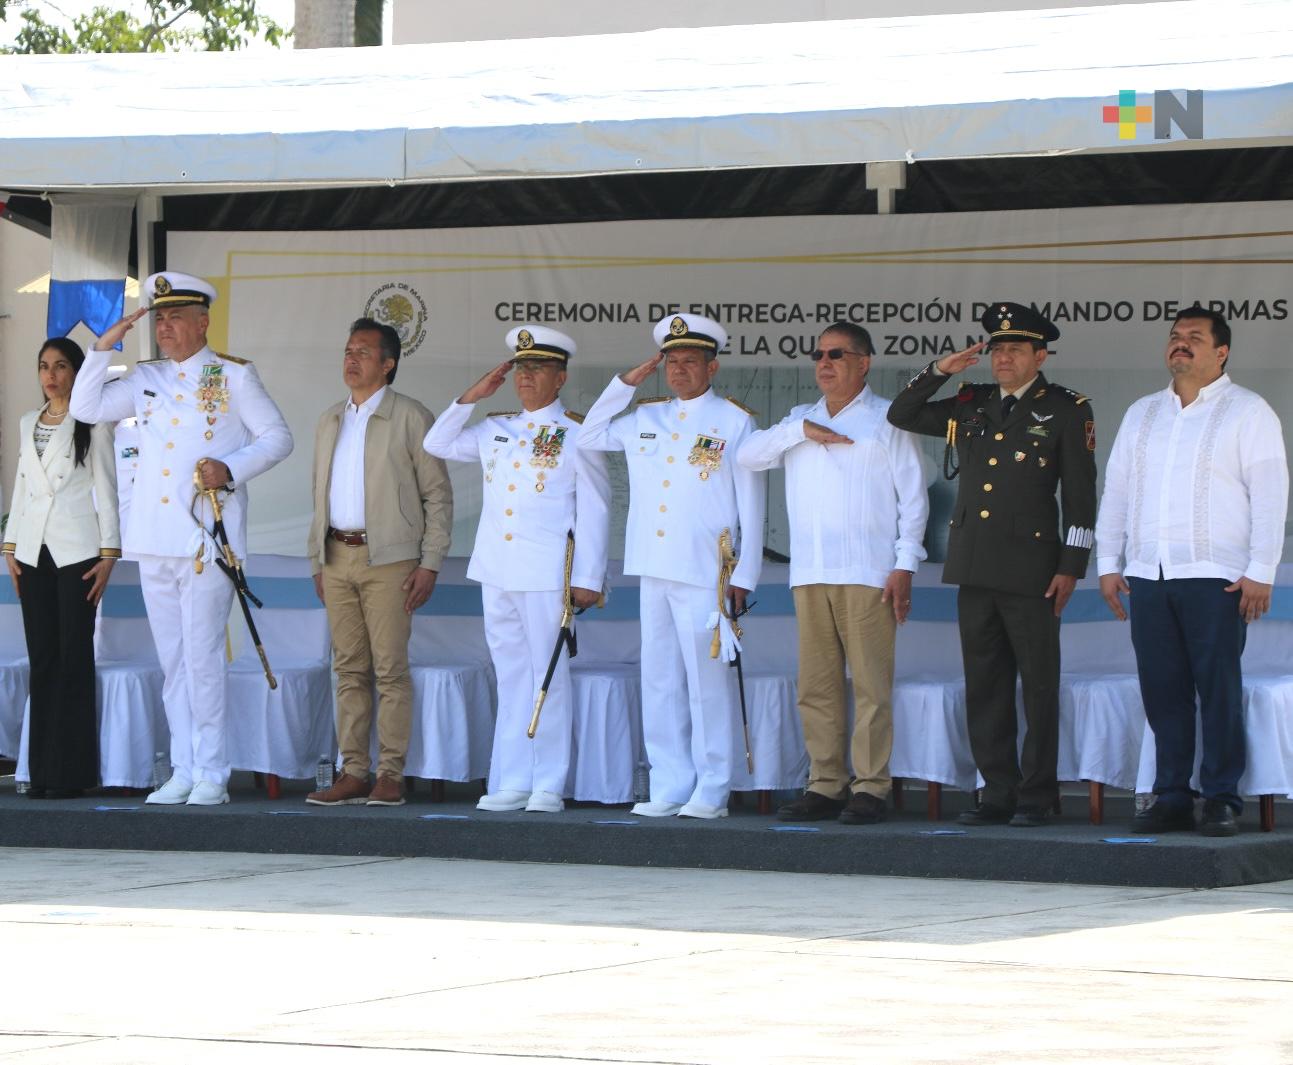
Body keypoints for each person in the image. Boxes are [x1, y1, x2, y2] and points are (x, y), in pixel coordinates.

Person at [70, 271, 293, 806]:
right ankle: (184, 766)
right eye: (159, 317)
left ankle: (212, 770)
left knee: (202, 657)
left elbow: (278, 437)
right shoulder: (148, 377)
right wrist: (101, 348)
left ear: (202, 322)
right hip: (154, 538)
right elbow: (85, 407)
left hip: (204, 542)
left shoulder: (233, 375)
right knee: (172, 661)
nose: (164, 326)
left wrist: (231, 468)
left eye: (174, 316)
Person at [887, 302, 1096, 828]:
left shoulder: (1067, 408)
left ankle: (1038, 794)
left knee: (1038, 685)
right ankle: (996, 790)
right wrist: (940, 371)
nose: (1003, 358)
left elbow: (1080, 496)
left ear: (1039, 355)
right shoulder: (972, 402)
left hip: (1033, 570)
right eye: (997, 349)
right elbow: (902, 414)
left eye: (1015, 349)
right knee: (985, 685)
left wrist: (1072, 565)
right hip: (975, 566)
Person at [1096, 307, 1288, 837]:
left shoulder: (1248, 411)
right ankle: (1173, 795)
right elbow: (1116, 492)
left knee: (1218, 689)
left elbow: (1271, 496)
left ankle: (1222, 797)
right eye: (1175, 337)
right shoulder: (1142, 413)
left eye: (1194, 339)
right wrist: (1108, 563)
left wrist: (1261, 570)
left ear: (1221, 352)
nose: (1181, 345)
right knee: (1163, 691)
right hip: (1149, 574)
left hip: (1217, 576)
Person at [576, 313, 766, 819]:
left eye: (690, 362)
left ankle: (712, 786)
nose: (679, 371)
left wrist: (745, 575)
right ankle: (669, 782)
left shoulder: (733, 420)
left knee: (707, 683)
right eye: (672, 362)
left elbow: (751, 503)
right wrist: (624, 384)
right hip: (653, 565)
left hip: (706, 569)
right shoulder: (645, 416)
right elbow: (588, 436)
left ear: (713, 367)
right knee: (659, 679)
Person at [737, 322, 927, 826]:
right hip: (811, 572)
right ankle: (825, 784)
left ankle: (871, 786)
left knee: (869, 686)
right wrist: (799, 431)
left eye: (838, 354)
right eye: (818, 353)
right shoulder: (798, 419)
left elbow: (914, 500)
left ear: (864, 363)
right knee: (816, 686)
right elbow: (746, 457)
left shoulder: (889, 419)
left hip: (868, 571)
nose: (825, 362)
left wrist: (905, 564)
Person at [423, 325, 609, 813]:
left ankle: (547, 782)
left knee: (549, 676)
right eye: (521, 369)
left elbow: (595, 507)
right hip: (498, 569)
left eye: (538, 368)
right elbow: (437, 444)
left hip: (547, 571)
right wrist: (471, 396)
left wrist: (588, 576)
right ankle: (511, 777)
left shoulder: (577, 431)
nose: (526, 378)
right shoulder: (494, 427)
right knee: (510, 676)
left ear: (560, 376)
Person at [304, 318, 453, 808]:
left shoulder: (411, 417)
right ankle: (353, 771)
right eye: (348, 350)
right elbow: (318, 495)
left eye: (364, 352)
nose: (352, 359)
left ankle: (390, 773)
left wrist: (430, 561)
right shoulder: (330, 419)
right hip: (337, 555)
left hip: (390, 559)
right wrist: (317, 561)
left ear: (388, 365)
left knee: (389, 670)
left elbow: (437, 495)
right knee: (347, 669)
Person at [3, 338, 120, 799]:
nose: (51, 375)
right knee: (43, 660)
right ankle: (42, 771)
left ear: (77, 372)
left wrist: (109, 553)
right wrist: (11, 545)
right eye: (44, 367)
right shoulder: (28, 422)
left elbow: (107, 489)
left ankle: (70, 773)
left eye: (61, 366)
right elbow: (20, 485)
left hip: (78, 552)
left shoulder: (92, 421)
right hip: (32, 552)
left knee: (74, 658)